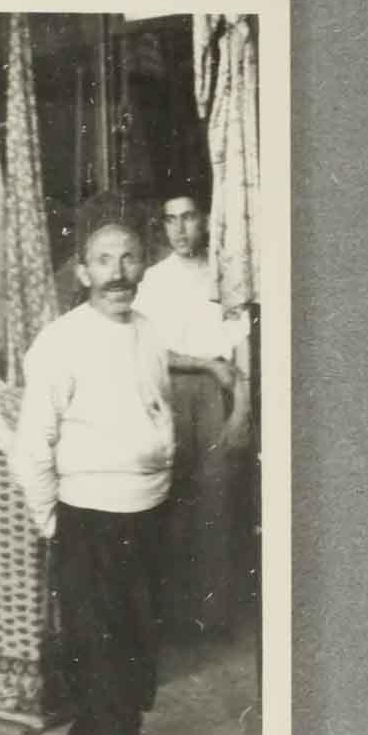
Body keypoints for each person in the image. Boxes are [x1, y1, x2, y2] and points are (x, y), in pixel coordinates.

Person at [10, 195, 229, 735]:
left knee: (136, 672)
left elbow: (154, 408)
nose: (117, 271)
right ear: (80, 272)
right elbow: (29, 449)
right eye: (102, 260)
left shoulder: (148, 331)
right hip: (88, 527)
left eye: (128, 257)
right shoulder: (59, 342)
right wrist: (58, 525)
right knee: (108, 674)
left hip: (146, 522)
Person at [134, 186, 252, 635]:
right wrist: (205, 363)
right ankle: (175, 620)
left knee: (217, 504)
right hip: (171, 391)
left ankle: (214, 619)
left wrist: (241, 411)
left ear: (204, 220)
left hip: (217, 396)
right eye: (171, 219)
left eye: (188, 217)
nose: (180, 229)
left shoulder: (224, 276)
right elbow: (151, 351)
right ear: (162, 226)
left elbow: (241, 350)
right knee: (170, 502)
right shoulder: (154, 280)